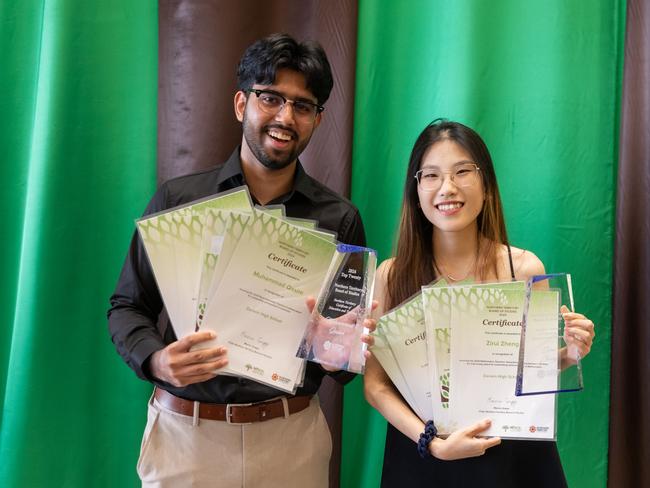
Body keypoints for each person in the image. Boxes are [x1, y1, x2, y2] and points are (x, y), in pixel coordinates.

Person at [108, 34, 369, 487]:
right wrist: (156, 361)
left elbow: (343, 357)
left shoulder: (340, 220)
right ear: (240, 103)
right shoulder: (179, 203)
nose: (286, 117)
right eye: (270, 98)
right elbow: (127, 306)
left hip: (291, 439)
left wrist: (336, 354)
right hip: (186, 439)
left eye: (303, 106)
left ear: (317, 119)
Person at [363, 120, 596, 487]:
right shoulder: (392, 275)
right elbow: (375, 385)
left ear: (486, 186)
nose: (448, 188)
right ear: (417, 189)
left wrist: (569, 354)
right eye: (432, 175)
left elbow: (529, 372)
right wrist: (432, 443)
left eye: (462, 172)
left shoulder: (523, 268)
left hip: (512, 456)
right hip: (422, 454)